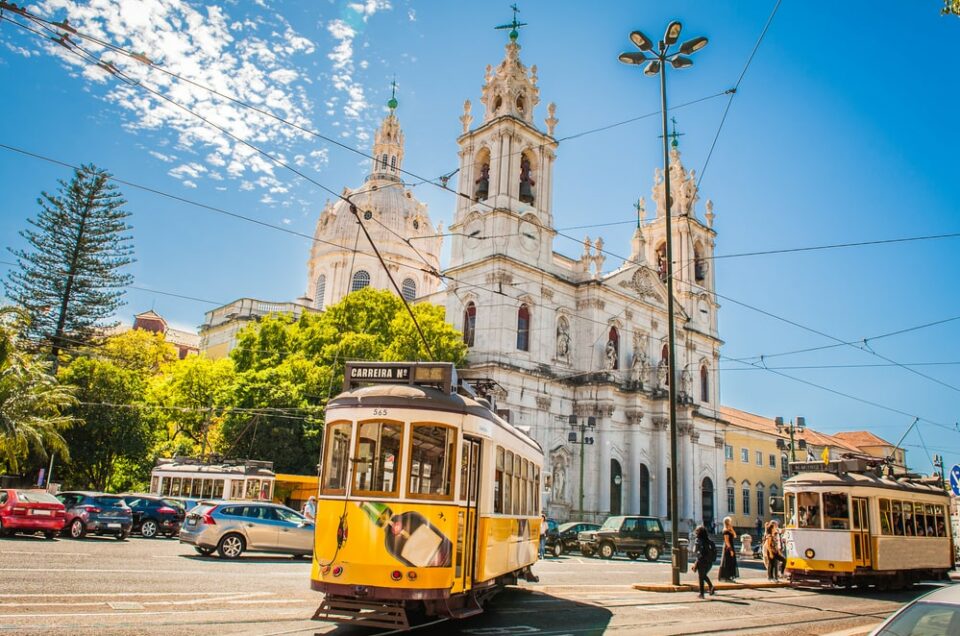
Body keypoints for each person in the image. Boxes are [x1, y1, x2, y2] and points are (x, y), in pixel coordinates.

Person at [691, 525, 716, 599]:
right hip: (709, 562)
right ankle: (711, 587)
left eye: (696, 531)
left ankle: (702, 594)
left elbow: (695, 551)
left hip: (702, 561)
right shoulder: (709, 541)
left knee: (701, 577)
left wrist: (696, 562)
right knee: (703, 576)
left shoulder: (698, 540)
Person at [718, 516, 739, 582]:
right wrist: (730, 550)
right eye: (730, 521)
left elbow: (735, 536)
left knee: (731, 561)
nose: (731, 523)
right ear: (727, 522)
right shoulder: (725, 531)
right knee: (727, 562)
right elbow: (727, 541)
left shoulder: (729, 530)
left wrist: (732, 529)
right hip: (728, 548)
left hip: (731, 546)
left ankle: (729, 576)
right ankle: (726, 577)